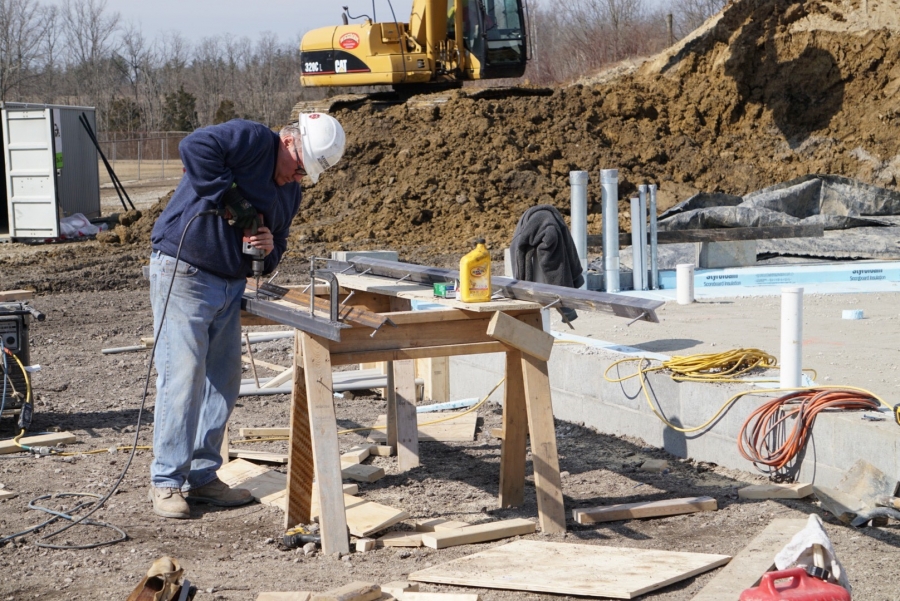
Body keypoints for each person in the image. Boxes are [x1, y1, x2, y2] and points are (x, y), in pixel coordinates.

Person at [146, 113, 345, 519]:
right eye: (299, 168)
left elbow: (275, 250)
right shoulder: (254, 140)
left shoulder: (290, 192)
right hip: (185, 269)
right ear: (290, 143)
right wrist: (232, 200)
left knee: (225, 381)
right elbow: (194, 147)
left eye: (306, 175)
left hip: (230, 284)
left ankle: (202, 477)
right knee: (183, 377)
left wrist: (269, 246)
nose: (298, 178)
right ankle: (166, 482)